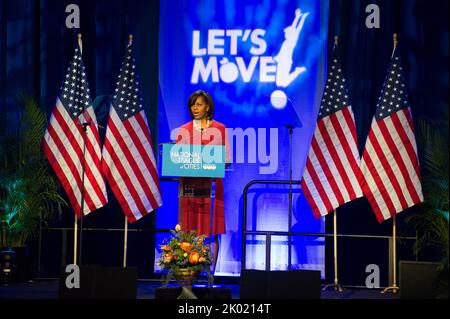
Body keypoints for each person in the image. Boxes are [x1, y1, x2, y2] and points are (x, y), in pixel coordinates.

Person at [175, 90, 229, 274]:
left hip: (211, 187)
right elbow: (176, 159)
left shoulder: (220, 129)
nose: (195, 108)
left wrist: (210, 159)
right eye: (192, 104)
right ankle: (188, 273)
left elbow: (226, 158)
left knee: (212, 230)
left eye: (199, 104)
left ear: (207, 107)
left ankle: (210, 275)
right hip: (190, 186)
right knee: (188, 231)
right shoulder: (184, 130)